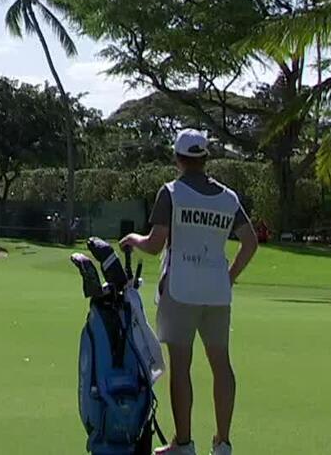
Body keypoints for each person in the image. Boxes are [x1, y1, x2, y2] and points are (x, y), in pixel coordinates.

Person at [122, 129, 259, 455]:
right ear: (205, 158)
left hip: (180, 288)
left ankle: (183, 443)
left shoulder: (171, 193)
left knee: (181, 366)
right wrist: (229, 276)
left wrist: (133, 239)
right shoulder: (229, 198)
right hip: (217, 291)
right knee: (221, 364)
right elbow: (250, 242)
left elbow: (154, 245)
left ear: (178, 159)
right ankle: (223, 443)